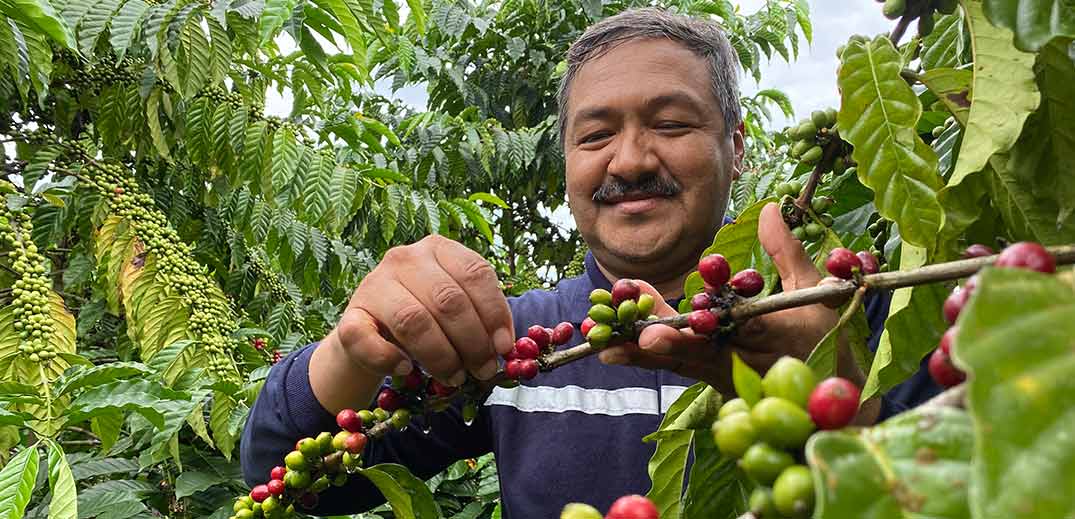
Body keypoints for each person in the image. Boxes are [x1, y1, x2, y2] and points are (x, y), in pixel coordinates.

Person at [241, 8, 940, 517]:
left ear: (735, 145)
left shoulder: (861, 307)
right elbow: (281, 473)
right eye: (596, 134)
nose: (630, 160)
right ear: (568, 163)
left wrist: (846, 400)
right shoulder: (513, 345)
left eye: (670, 124)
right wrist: (356, 349)